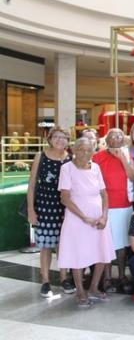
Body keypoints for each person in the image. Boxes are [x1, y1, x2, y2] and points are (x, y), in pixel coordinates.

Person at [58, 137, 116, 307]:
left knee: (102, 252)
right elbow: (65, 198)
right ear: (73, 150)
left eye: (89, 149)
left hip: (98, 217)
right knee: (77, 254)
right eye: (81, 149)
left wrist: (104, 216)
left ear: (93, 151)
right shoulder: (66, 168)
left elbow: (104, 194)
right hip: (77, 218)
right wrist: (84, 217)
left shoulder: (96, 167)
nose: (85, 152)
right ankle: (80, 291)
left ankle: (93, 288)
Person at [26, 127, 74, 297]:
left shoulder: (70, 159)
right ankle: (45, 280)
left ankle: (63, 278)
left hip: (64, 207)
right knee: (45, 246)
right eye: (57, 137)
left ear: (68, 140)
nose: (60, 140)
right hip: (45, 207)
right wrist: (31, 210)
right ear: (50, 139)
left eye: (64, 137)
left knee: (63, 244)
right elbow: (31, 186)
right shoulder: (41, 156)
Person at [92, 128, 134, 293]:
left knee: (122, 245)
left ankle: (121, 275)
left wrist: (122, 158)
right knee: (106, 243)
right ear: (107, 139)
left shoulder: (128, 155)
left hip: (124, 205)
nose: (116, 138)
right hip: (105, 207)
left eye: (120, 135)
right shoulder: (97, 157)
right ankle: (107, 277)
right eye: (113, 135)